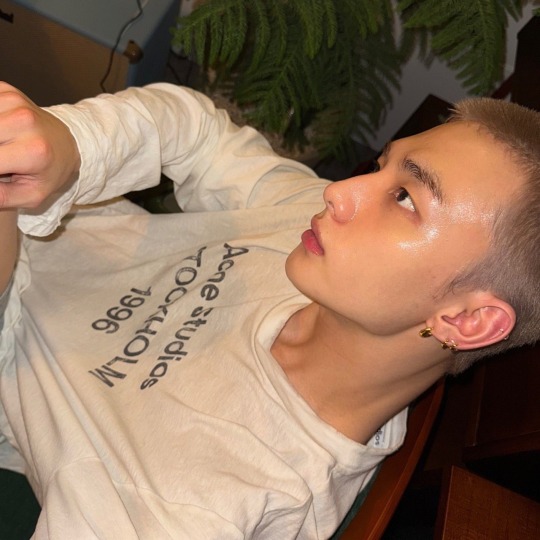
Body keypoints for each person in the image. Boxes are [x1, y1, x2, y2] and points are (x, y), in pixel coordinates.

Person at [0, 81, 538, 539]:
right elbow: (198, 134)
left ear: (466, 320)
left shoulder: (198, 505)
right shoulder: (317, 248)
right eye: (381, 165)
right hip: (43, 222)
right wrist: (74, 143)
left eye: (404, 198)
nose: (339, 192)